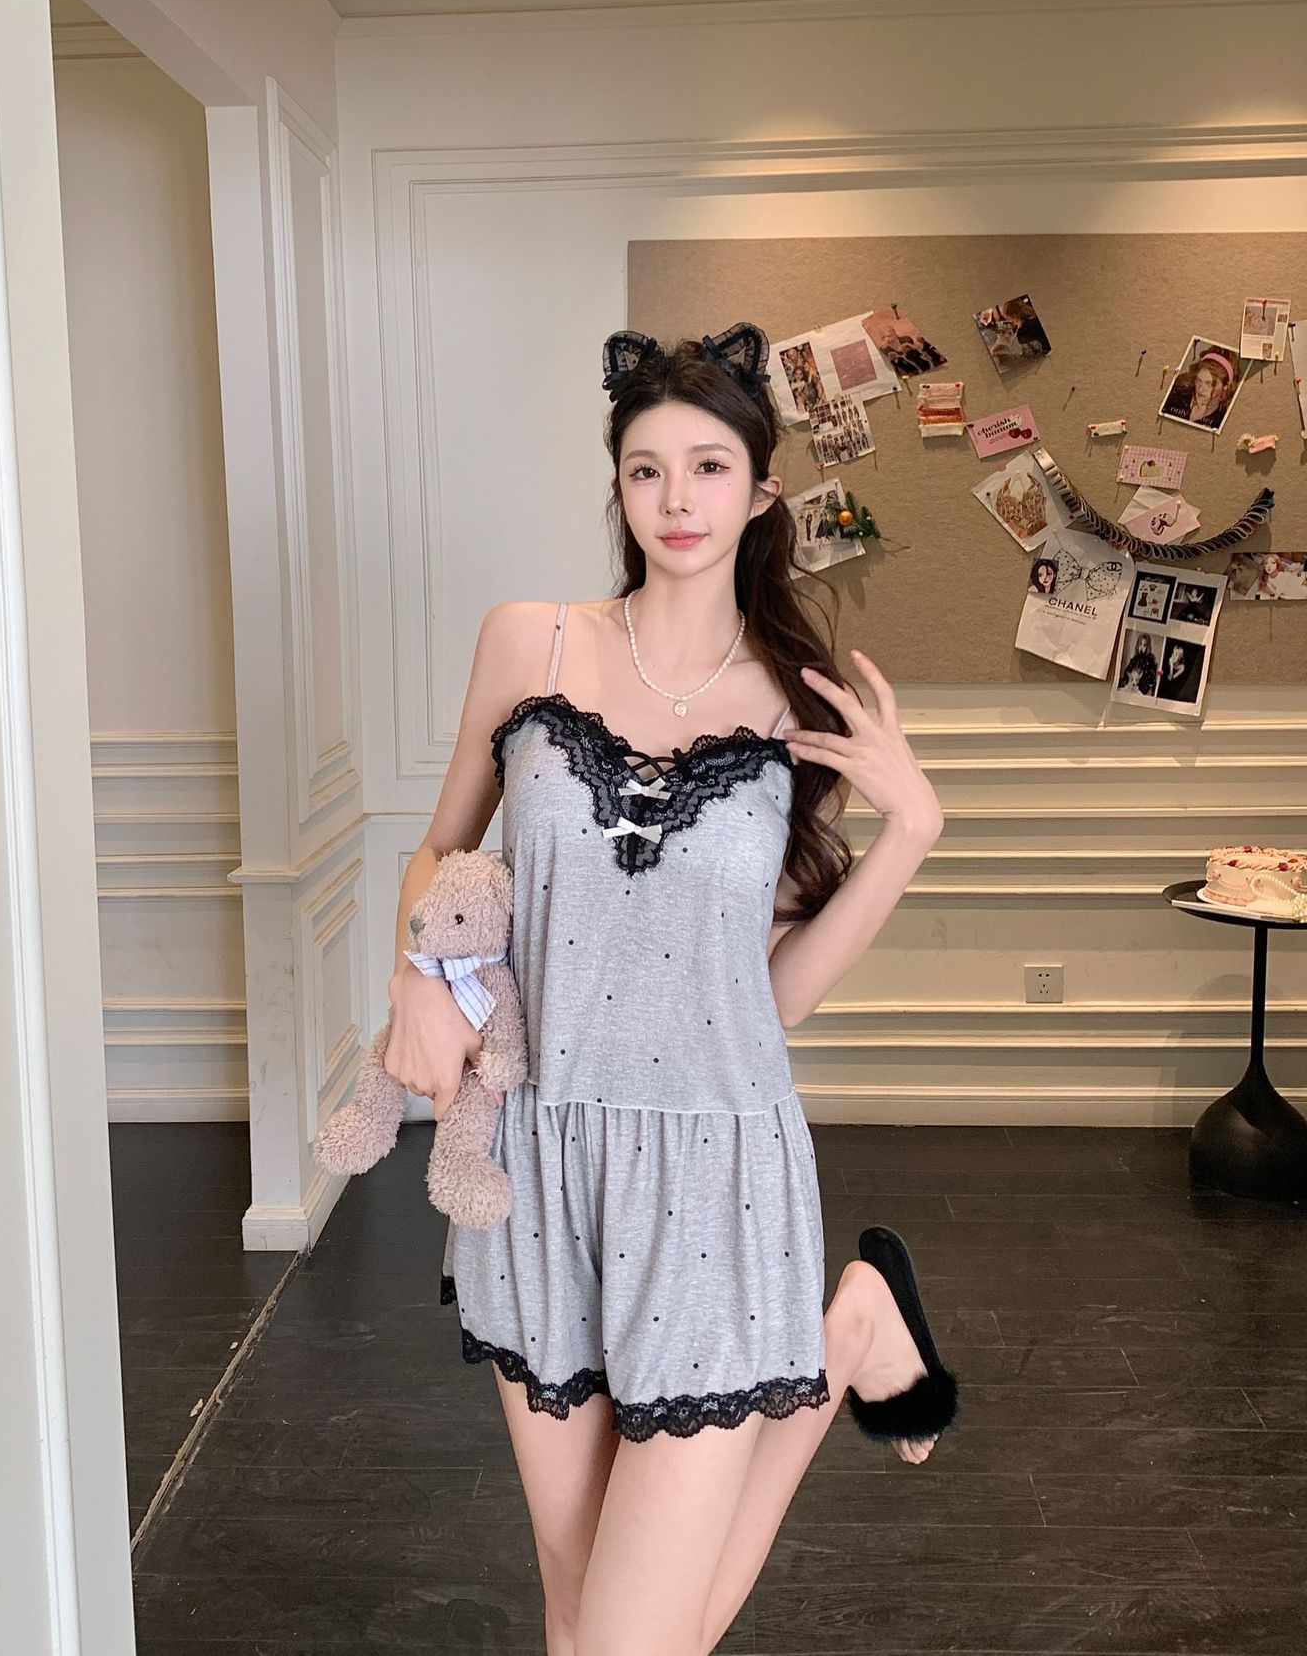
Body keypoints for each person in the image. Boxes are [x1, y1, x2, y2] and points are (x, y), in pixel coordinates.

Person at [383, 324, 955, 1656]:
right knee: (577, 1607)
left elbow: (777, 995)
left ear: (761, 492)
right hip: (538, 1156)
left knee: (632, 1642)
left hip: (715, 1170)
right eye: (647, 470)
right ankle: (851, 1327)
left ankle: (842, 1331)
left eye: (709, 467)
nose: (677, 499)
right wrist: (422, 974)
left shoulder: (797, 707)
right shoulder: (529, 643)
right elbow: (444, 846)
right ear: (619, 489)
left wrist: (913, 832)